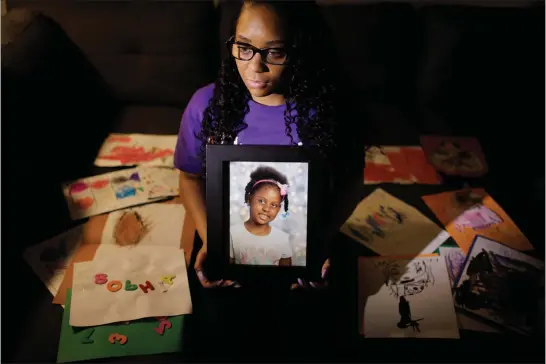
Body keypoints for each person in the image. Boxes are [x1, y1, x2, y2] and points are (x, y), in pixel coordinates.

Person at [174, 0, 364, 359]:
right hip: (230, 258)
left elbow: (353, 181)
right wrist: (210, 239)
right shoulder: (207, 105)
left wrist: (323, 242)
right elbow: (189, 177)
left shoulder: (331, 111)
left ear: (301, 48)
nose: (254, 66)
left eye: (274, 52)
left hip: (302, 260)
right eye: (243, 47)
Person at [230, 166, 293, 266]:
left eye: (273, 205)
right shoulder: (232, 234)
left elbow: (287, 275)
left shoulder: (282, 239)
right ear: (249, 199)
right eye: (262, 201)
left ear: (279, 208)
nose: (266, 209)